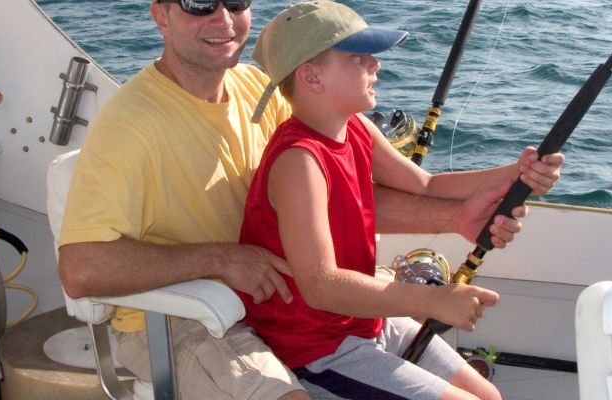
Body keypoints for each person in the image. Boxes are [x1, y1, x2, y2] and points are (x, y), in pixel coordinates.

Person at [57, 0, 564, 399]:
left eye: (235, 1)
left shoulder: (261, 88)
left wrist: (465, 212)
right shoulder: (129, 124)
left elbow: (340, 193)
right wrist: (222, 259)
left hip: (289, 304)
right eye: (197, 2)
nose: (222, 18)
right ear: (160, 14)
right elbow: (80, 270)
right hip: (179, 319)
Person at [238, 2, 558, 399]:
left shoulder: (355, 129)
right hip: (316, 348)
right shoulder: (298, 161)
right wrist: (435, 300)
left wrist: (519, 171)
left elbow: (425, 185)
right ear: (311, 77)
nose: (375, 64)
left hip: (363, 321)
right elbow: (320, 285)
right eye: (359, 57)